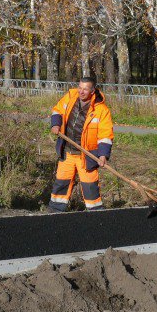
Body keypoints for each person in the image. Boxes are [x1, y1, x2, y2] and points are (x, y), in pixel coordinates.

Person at [48, 77, 114, 212]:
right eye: (80, 87)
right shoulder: (70, 97)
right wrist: (55, 124)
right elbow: (57, 110)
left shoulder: (101, 110)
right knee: (61, 184)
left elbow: (105, 135)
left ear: (92, 91)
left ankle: (96, 214)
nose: (81, 91)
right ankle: (54, 212)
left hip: (86, 156)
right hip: (67, 152)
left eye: (85, 89)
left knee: (90, 187)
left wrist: (103, 155)